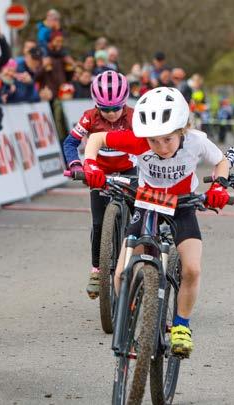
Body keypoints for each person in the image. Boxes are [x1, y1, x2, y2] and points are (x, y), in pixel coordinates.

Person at [83, 87, 230, 357]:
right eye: (154, 141)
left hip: (182, 206)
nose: (161, 147)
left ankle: (181, 326)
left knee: (192, 269)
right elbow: (97, 138)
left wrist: (219, 185)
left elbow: (221, 161)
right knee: (121, 272)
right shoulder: (139, 141)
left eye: (168, 139)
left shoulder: (196, 141)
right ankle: (131, 318)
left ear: (182, 130)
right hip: (147, 204)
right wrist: (90, 164)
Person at [62, 70, 135, 298]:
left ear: (125, 103)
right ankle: (96, 269)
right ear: (96, 105)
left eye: (116, 108)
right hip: (99, 173)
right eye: (105, 109)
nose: (111, 114)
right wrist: (76, 165)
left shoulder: (134, 117)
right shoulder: (89, 117)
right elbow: (70, 143)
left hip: (128, 170)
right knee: (98, 223)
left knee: (139, 218)